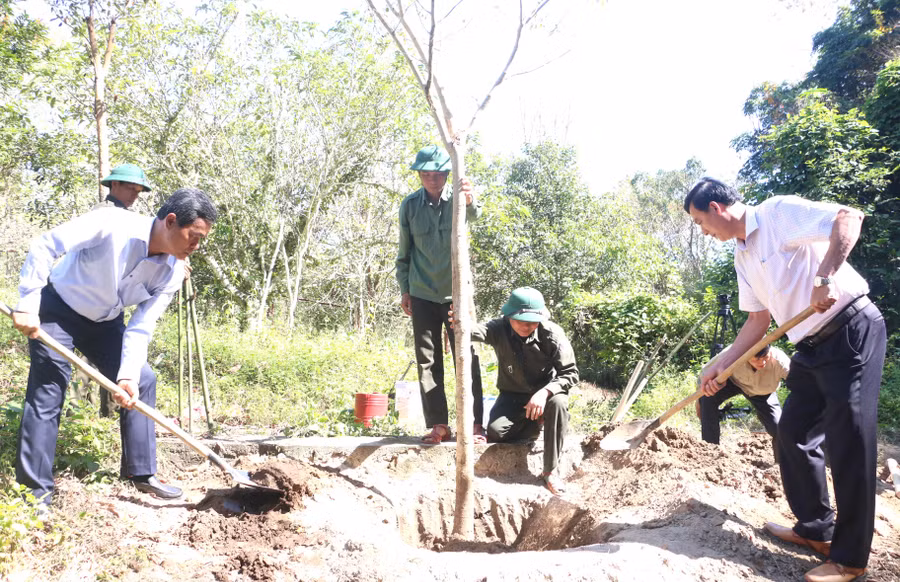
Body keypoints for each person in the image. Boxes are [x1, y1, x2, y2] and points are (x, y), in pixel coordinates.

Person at [685, 178, 885, 582]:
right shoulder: (742, 257)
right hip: (810, 345)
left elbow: (849, 217)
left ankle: (850, 559)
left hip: (850, 330)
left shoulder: (776, 214)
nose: (702, 231)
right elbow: (757, 321)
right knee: (792, 432)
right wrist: (718, 363)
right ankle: (816, 530)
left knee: (848, 438)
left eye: (699, 221)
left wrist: (826, 275)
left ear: (716, 208)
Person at [12, 188, 217, 511]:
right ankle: (34, 494)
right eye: (194, 236)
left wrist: (127, 378)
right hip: (58, 310)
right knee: (48, 390)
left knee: (144, 379)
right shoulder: (112, 223)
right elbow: (46, 244)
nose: (196, 245)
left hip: (105, 323)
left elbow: (140, 326)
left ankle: (141, 473)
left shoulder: (173, 272)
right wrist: (28, 303)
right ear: (171, 221)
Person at [396, 144, 485, 444]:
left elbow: (474, 216)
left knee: (467, 357)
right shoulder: (409, 206)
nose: (433, 179)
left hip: (456, 293)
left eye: (438, 174)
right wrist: (405, 289)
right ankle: (438, 425)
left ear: (448, 174)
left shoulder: (459, 201)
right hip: (421, 292)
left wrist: (470, 199)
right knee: (428, 360)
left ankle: (473, 426)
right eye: (427, 174)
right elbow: (404, 253)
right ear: (419, 175)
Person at [462, 287, 578, 494]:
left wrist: (544, 393)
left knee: (558, 404)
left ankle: (550, 471)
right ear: (509, 317)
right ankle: (535, 422)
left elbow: (570, 373)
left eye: (533, 321)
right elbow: (472, 330)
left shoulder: (552, 334)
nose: (528, 326)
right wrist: (457, 320)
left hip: (546, 394)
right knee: (497, 433)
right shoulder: (498, 329)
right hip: (512, 396)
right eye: (522, 320)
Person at [695, 344, 789, 449]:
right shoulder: (733, 353)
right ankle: (710, 448)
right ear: (746, 355)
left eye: (765, 357)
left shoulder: (780, 361)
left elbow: (799, 381)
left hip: (763, 391)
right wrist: (700, 401)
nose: (762, 362)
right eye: (757, 359)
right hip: (734, 382)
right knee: (707, 396)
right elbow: (705, 373)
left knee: (778, 427)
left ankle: (781, 461)